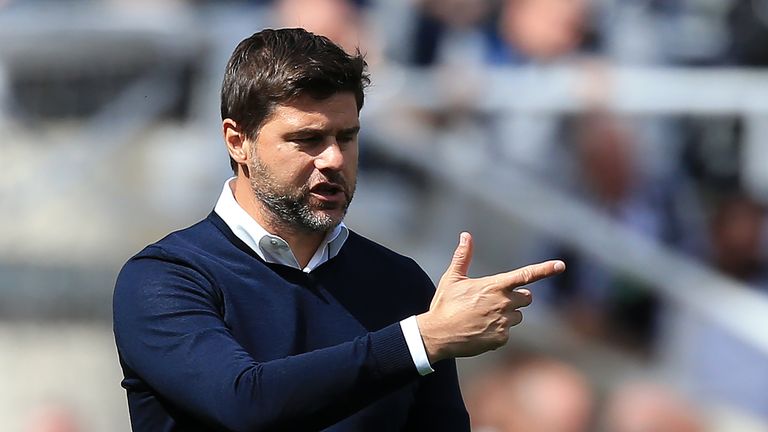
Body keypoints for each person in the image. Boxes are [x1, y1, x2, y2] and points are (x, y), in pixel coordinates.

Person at [113, 28, 564, 431]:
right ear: (238, 141)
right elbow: (244, 403)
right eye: (308, 139)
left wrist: (423, 337)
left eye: (346, 137)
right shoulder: (165, 278)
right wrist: (422, 340)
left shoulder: (399, 283)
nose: (333, 159)